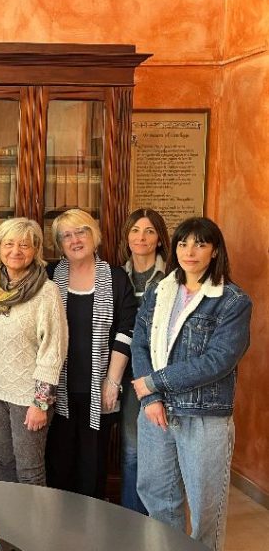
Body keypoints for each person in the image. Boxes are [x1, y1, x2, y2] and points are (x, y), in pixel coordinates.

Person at [132, 217, 251, 551]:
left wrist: (154, 382)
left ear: (215, 251)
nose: (190, 251)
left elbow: (218, 361)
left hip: (203, 416)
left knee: (204, 508)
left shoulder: (233, 301)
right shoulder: (159, 290)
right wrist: (150, 398)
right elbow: (140, 342)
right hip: (155, 413)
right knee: (157, 496)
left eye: (200, 244)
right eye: (183, 244)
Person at [44, 208, 137, 499]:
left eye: (81, 232)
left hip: (99, 389)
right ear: (59, 244)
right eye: (66, 236)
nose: (75, 240)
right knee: (58, 462)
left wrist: (112, 381)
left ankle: (90, 522)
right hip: (57, 389)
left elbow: (126, 330)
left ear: (94, 234)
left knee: (92, 464)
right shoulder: (49, 277)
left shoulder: (116, 278)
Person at [0, 218, 67, 486]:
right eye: (9, 244)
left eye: (24, 245)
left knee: (29, 470)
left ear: (36, 250)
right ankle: (9, 514)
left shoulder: (47, 292)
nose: (15, 251)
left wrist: (40, 403)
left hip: (27, 397)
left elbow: (53, 351)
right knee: (4, 461)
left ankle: (34, 516)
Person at [116, 208, 170, 514]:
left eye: (149, 231)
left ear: (160, 239)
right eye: (135, 230)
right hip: (122, 373)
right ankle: (131, 518)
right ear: (127, 236)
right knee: (131, 450)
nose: (141, 237)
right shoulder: (115, 276)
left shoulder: (172, 277)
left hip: (159, 374)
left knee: (155, 451)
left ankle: (155, 520)